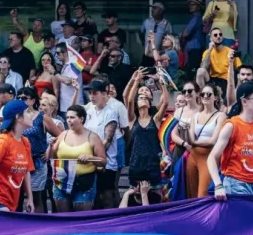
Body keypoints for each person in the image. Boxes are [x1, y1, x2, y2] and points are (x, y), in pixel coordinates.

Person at [49, 104, 105, 212]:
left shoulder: (93, 137)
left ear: (81, 119)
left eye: (72, 117)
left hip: (83, 181)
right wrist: (51, 146)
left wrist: (90, 157)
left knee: (81, 218)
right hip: (62, 180)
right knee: (63, 217)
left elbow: (103, 161)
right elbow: (52, 157)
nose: (69, 120)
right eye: (67, 118)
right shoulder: (63, 134)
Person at [122, 69, 170, 196]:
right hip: (136, 164)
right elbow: (130, 100)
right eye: (140, 97)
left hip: (153, 163)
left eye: (145, 98)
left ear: (150, 104)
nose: (143, 99)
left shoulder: (155, 119)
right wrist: (136, 80)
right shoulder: (132, 119)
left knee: (156, 195)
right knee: (136, 196)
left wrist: (162, 82)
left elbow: (165, 103)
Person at [19, 86, 63, 213]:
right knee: (17, 197)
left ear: (33, 100)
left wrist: (49, 148)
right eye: (19, 98)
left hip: (37, 161)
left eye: (24, 98)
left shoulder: (42, 117)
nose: (21, 100)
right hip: (18, 161)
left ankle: (38, 227)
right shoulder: (16, 116)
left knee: (37, 197)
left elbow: (61, 136)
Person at [83, 79, 123, 209]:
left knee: (106, 196)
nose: (92, 96)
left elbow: (108, 139)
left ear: (104, 94)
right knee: (94, 197)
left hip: (106, 162)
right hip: (90, 161)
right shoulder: (88, 111)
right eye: (90, 93)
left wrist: (94, 156)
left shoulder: (110, 112)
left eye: (95, 93)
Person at [179, 0, 207, 72]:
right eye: (190, 4)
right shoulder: (194, 18)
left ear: (198, 7)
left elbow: (185, 34)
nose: (191, 6)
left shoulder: (197, 18)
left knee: (191, 73)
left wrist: (182, 34)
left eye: (193, 4)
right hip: (192, 50)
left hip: (195, 50)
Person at [54, 42, 82, 112]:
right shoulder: (65, 65)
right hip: (65, 104)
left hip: (74, 106)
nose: (56, 55)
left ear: (66, 53)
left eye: (58, 53)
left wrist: (54, 72)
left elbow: (68, 81)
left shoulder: (74, 64)